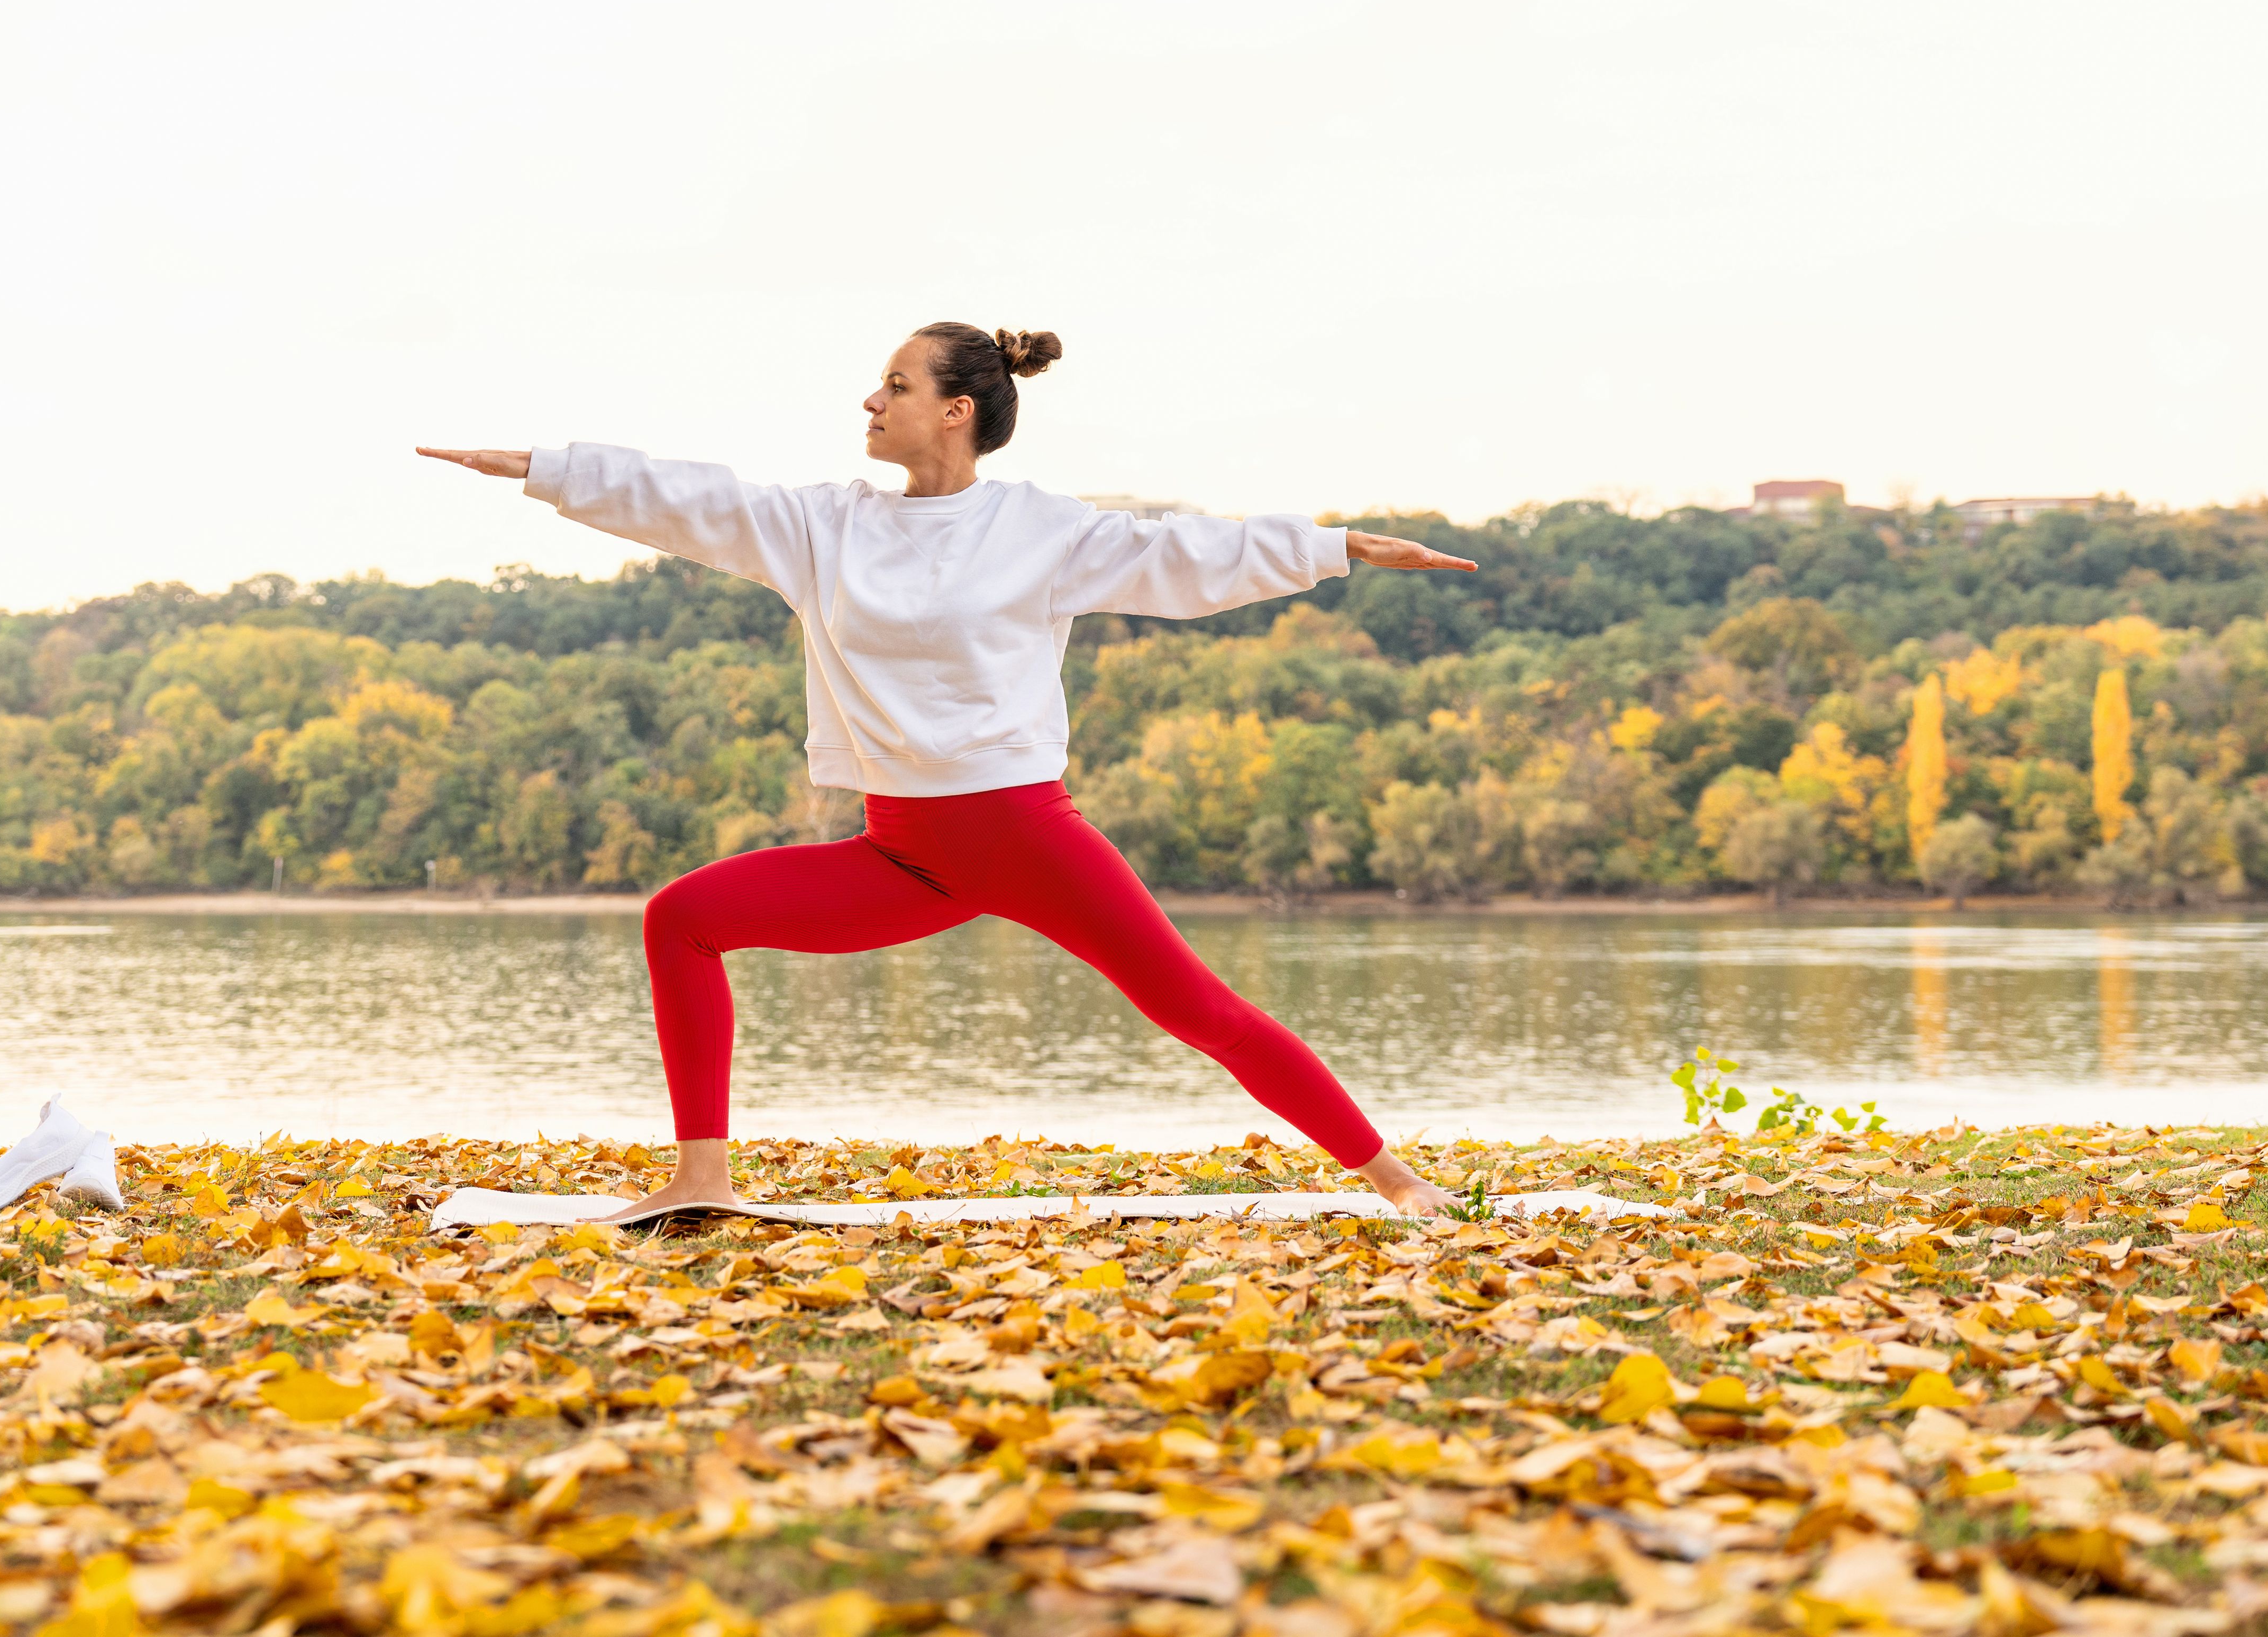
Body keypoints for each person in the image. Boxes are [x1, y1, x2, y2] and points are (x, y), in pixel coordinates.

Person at [420, 321, 1480, 1221]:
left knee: (1198, 1010)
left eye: (895, 384)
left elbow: (1187, 557)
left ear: (956, 410)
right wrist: (541, 468)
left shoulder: (1038, 529)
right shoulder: (823, 526)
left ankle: (1397, 1184)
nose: (870, 399)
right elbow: (691, 500)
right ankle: (699, 1181)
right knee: (680, 918)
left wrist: (1336, 547)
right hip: (901, 850)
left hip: (1026, 839)